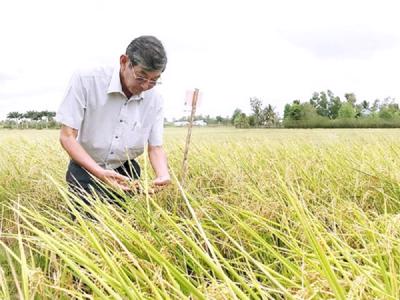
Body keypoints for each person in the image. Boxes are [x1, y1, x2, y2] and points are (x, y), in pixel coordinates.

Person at [56, 35, 171, 204]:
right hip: (85, 168)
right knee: (85, 227)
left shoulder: (155, 100)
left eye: (154, 80)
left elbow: (155, 147)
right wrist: (100, 173)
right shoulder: (87, 80)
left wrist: (163, 174)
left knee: (124, 225)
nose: (146, 86)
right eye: (141, 76)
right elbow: (67, 136)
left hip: (127, 174)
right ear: (124, 61)